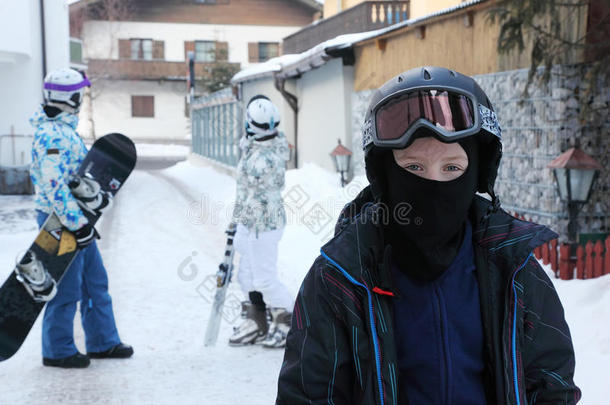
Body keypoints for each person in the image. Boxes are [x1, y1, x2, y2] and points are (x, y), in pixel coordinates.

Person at [276, 67, 580, 404]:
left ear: (477, 174)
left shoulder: (514, 270)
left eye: (452, 168)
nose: (433, 186)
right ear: (385, 176)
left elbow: (552, 383)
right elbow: (308, 395)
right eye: (413, 168)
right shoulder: (340, 279)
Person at [29, 68, 133, 368]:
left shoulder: (63, 130)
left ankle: (103, 342)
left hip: (75, 220)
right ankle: (57, 350)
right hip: (58, 223)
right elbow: (54, 187)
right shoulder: (51, 136)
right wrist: (76, 224)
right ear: (70, 97)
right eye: (80, 94)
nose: (82, 99)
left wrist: (81, 220)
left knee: (94, 281)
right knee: (66, 287)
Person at [229, 95, 294, 348]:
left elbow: (255, 183)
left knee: (263, 279)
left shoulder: (266, 157)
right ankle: (257, 319)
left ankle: (288, 320)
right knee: (245, 276)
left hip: (264, 224)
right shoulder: (256, 146)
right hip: (249, 221)